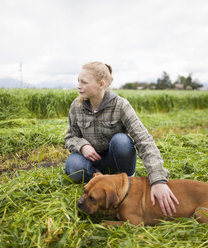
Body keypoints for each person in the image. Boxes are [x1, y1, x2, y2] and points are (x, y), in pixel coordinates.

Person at [64, 61, 179, 216]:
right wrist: (83, 146)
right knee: (73, 166)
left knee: (122, 141)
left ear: (101, 84)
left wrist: (158, 180)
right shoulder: (76, 106)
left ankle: (124, 186)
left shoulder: (121, 105)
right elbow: (70, 137)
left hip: (117, 164)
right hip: (92, 164)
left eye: (84, 82)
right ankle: (100, 182)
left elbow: (144, 140)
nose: (78, 86)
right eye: (78, 81)